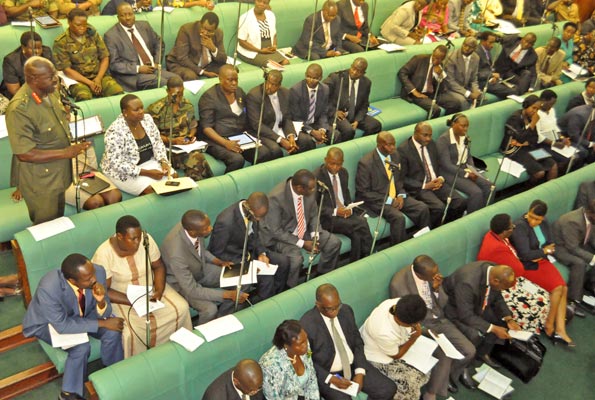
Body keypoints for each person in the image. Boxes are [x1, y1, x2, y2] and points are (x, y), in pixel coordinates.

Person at [22, 254, 124, 400]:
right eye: (88, 279)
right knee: (81, 347)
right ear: (72, 281)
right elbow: (62, 326)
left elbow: (105, 312)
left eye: (93, 274)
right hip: (48, 322)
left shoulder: (98, 272)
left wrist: (101, 302)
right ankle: (69, 394)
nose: (94, 279)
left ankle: (113, 372)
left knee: (112, 331)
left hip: (83, 314)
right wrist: (102, 323)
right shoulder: (49, 288)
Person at [92, 215, 192, 358]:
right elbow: (104, 291)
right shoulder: (104, 254)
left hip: (150, 288)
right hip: (121, 298)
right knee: (131, 332)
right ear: (119, 236)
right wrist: (133, 301)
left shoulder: (146, 240)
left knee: (181, 308)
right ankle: (141, 362)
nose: (138, 242)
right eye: (133, 239)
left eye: (139, 237)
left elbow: (158, 266)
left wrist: (159, 291)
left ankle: (175, 353)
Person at [6, 57, 90, 225]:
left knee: (58, 221)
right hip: (41, 181)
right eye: (50, 76)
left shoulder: (49, 92)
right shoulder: (19, 109)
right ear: (34, 79)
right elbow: (24, 154)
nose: (55, 79)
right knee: (46, 226)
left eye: (55, 74)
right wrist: (66, 152)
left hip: (58, 173)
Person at [389, 256, 478, 396]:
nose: (436, 276)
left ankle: (449, 377)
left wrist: (436, 290)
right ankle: (435, 389)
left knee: (470, 351)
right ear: (420, 275)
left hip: (440, 320)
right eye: (432, 275)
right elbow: (406, 316)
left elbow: (443, 303)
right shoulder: (399, 284)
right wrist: (422, 330)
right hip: (421, 325)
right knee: (445, 353)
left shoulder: (431, 274)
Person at [477, 213, 568, 341]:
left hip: (509, 276)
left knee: (544, 295)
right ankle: (530, 328)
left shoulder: (496, 236)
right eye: (511, 227)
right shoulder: (497, 247)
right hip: (501, 284)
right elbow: (519, 270)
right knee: (539, 300)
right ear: (505, 231)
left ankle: (543, 323)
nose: (514, 228)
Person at [300, 284, 397, 400]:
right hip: (328, 372)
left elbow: (357, 342)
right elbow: (307, 360)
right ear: (318, 305)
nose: (336, 311)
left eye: (338, 306)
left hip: (353, 365)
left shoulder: (346, 311)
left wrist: (360, 371)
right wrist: (330, 378)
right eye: (330, 309)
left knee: (388, 389)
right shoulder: (307, 325)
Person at [161, 210, 250, 325]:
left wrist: (218, 261)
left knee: (241, 278)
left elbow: (200, 250)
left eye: (209, 225)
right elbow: (192, 290)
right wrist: (227, 295)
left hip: (200, 268)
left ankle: (224, 320)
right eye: (206, 228)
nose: (210, 228)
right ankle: (203, 331)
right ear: (192, 232)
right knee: (210, 310)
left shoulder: (193, 227)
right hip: (181, 284)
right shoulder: (176, 254)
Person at [263, 169, 342, 288]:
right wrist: (303, 243)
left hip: (304, 229)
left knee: (333, 243)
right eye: (311, 189)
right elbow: (275, 231)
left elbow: (314, 214)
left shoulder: (309, 189)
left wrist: (314, 235)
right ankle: (290, 289)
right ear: (299, 188)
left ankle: (322, 278)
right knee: (296, 259)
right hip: (282, 237)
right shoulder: (276, 198)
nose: (314, 190)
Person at [510, 203, 574, 344]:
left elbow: (551, 244)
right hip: (528, 266)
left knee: (564, 288)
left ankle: (561, 329)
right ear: (528, 212)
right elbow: (525, 255)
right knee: (557, 289)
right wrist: (544, 251)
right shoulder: (520, 226)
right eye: (531, 217)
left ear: (543, 218)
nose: (533, 221)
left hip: (541, 261)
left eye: (537, 219)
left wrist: (542, 253)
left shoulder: (544, 223)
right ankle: (549, 325)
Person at [208, 192, 290, 299]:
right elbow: (216, 253)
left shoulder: (255, 212)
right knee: (266, 277)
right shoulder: (225, 222)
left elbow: (254, 237)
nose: (259, 220)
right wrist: (247, 266)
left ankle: (277, 296)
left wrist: (262, 253)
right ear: (248, 208)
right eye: (257, 217)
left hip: (251, 252)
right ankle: (266, 304)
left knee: (283, 261)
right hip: (236, 260)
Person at [355, 131, 431, 245]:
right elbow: (364, 192)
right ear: (379, 145)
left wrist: (400, 195)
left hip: (396, 195)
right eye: (389, 145)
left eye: (394, 144)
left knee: (422, 208)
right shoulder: (366, 163)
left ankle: (423, 242)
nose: (393, 147)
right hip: (378, 200)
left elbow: (399, 180)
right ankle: (400, 248)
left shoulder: (395, 155)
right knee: (398, 218)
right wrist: (390, 200)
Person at [198, 64, 277, 173]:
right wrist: (225, 143)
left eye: (236, 80)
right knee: (237, 159)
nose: (234, 83)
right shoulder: (209, 97)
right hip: (218, 140)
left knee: (263, 153)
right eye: (230, 80)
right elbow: (206, 128)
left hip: (240, 136)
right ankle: (228, 183)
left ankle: (251, 179)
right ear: (220, 79)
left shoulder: (239, 92)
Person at [443, 262, 520, 369]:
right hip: (454, 309)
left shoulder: (493, 270)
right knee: (475, 334)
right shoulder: (467, 282)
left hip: (477, 303)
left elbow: (497, 297)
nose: (502, 290)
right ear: (495, 281)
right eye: (503, 288)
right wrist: (493, 329)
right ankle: (464, 366)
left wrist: (508, 319)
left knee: (500, 321)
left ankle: (482, 353)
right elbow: (466, 315)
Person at [359, 295, 430, 400]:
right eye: (416, 323)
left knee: (424, 369)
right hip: (374, 355)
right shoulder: (383, 332)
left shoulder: (399, 304)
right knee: (409, 383)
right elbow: (396, 355)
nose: (418, 324)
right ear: (408, 323)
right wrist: (413, 338)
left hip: (393, 344)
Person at [398, 122, 467, 228]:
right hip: (420, 187)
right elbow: (402, 178)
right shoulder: (403, 150)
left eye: (430, 135)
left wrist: (440, 178)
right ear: (415, 133)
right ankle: (431, 231)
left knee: (460, 202)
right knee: (439, 208)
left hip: (437, 183)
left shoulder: (431, 144)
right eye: (425, 135)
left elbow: (438, 165)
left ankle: (446, 227)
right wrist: (424, 186)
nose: (428, 139)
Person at [101, 94, 172, 196]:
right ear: (125, 112)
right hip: (122, 171)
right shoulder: (115, 131)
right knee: (154, 190)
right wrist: (148, 173)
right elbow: (117, 164)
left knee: (174, 178)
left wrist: (163, 161)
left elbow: (158, 143)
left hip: (148, 162)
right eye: (136, 110)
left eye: (142, 108)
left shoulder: (147, 119)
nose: (141, 111)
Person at [147, 76, 213, 181]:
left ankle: (198, 186)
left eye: (181, 94)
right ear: (168, 91)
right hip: (166, 149)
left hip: (184, 147)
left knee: (198, 160)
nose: (178, 98)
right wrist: (173, 141)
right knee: (196, 159)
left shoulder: (187, 105)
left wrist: (189, 137)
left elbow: (193, 126)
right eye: (175, 95)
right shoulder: (156, 110)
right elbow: (151, 135)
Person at [314, 147, 372, 262]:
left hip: (344, 214)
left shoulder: (343, 173)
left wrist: (349, 207)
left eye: (339, 164)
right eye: (332, 164)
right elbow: (314, 207)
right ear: (325, 160)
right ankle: (369, 255)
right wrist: (335, 211)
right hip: (328, 218)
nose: (335, 167)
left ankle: (356, 262)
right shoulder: (317, 177)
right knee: (362, 223)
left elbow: (346, 194)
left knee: (357, 235)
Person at [104, 3, 179, 92]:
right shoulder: (111, 36)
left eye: (130, 14)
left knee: (177, 79)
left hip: (153, 69)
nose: (128, 18)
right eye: (123, 15)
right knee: (165, 83)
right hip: (134, 76)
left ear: (134, 14)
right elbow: (114, 64)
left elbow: (159, 43)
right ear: (118, 17)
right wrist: (138, 68)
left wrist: (156, 62)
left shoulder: (144, 26)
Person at [53, 8, 124, 101]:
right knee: (83, 97)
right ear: (69, 22)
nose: (82, 28)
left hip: (99, 76)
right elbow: (67, 70)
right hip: (77, 80)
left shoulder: (93, 35)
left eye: (84, 24)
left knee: (117, 92)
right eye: (78, 25)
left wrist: (98, 78)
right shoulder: (61, 42)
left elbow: (105, 57)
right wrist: (90, 83)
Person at [246, 70, 313, 157]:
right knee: (275, 150)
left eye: (273, 85)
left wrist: (290, 135)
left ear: (279, 85)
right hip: (263, 132)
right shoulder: (254, 95)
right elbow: (256, 125)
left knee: (306, 140)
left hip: (280, 129)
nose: (269, 87)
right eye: (268, 82)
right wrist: (280, 139)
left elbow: (287, 117)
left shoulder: (285, 93)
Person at [436, 114, 492, 214]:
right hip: (450, 173)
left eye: (467, 126)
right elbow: (446, 165)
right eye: (463, 126)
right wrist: (466, 174)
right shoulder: (443, 140)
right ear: (453, 124)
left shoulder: (465, 137)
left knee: (490, 186)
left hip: (465, 169)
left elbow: (468, 156)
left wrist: (472, 169)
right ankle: (472, 218)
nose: (465, 129)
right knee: (476, 193)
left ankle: (484, 213)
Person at [552, 200, 595, 316]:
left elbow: (592, 238)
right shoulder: (573, 221)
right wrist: (593, 258)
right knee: (579, 263)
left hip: (576, 244)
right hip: (560, 248)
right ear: (591, 213)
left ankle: (591, 284)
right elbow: (572, 248)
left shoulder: (590, 218)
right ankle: (572, 300)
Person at [502, 95, 557, 184]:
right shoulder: (515, 118)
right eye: (533, 108)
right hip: (514, 150)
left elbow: (535, 138)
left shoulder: (531, 117)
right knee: (540, 172)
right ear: (526, 105)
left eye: (537, 109)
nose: (535, 111)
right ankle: (530, 188)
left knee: (553, 165)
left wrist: (527, 141)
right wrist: (533, 123)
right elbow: (520, 139)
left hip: (529, 147)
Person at [324, 57, 382, 142]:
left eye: (358, 71)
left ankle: (360, 146)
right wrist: (334, 111)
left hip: (355, 113)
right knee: (348, 130)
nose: (354, 72)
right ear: (351, 66)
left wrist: (357, 120)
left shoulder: (366, 83)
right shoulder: (337, 77)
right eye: (353, 68)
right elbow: (322, 97)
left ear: (363, 73)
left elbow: (364, 105)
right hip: (338, 113)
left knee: (375, 125)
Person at [259, 320, 320, 399]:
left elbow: (312, 378)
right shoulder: (269, 366)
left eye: (306, 339)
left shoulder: (305, 345)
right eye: (301, 343)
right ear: (286, 346)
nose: (306, 345)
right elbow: (273, 397)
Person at [166, 12, 227, 80]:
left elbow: (223, 59)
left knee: (227, 71)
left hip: (207, 65)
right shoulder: (186, 30)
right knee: (190, 76)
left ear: (214, 30)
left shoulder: (218, 33)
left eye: (209, 31)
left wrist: (213, 49)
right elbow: (182, 58)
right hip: (181, 65)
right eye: (204, 28)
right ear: (200, 23)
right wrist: (203, 72)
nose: (205, 32)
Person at [398, 45, 448, 119]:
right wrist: (414, 91)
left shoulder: (440, 65)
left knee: (455, 103)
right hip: (417, 94)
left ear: (443, 59)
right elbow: (402, 73)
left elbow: (442, 89)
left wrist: (440, 75)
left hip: (432, 94)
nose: (435, 60)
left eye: (438, 59)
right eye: (434, 56)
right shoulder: (419, 59)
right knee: (435, 109)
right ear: (433, 52)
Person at [289, 63, 335, 145]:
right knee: (308, 141)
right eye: (308, 76)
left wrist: (322, 129)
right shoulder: (296, 91)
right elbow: (296, 118)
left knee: (335, 135)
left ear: (320, 78)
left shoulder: (325, 89)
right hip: (300, 125)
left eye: (314, 78)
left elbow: (324, 113)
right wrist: (312, 132)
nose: (310, 80)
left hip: (316, 123)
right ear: (305, 74)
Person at [1, 32, 54, 99]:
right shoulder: (11, 61)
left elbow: (54, 76)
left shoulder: (46, 52)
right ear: (23, 48)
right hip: (21, 95)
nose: (37, 51)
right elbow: (15, 91)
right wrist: (38, 99)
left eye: (39, 48)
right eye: (33, 48)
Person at [237, 0, 289, 67]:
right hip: (251, 51)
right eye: (259, 1)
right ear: (255, 1)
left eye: (265, 2)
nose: (261, 4)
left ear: (268, 4)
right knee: (272, 66)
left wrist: (274, 45)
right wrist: (260, 51)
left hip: (268, 50)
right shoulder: (245, 17)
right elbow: (242, 42)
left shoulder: (271, 15)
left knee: (286, 62)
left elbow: (274, 34)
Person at [535, 90, 577, 170]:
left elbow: (554, 127)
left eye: (553, 104)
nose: (552, 106)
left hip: (554, 139)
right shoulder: (536, 113)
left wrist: (562, 138)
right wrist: (553, 143)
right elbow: (537, 135)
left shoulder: (551, 110)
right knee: (566, 159)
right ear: (543, 100)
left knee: (579, 154)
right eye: (550, 104)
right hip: (542, 143)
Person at [443, 36, 482, 113]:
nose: (466, 48)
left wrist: (475, 90)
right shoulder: (451, 57)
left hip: (466, 87)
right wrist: (468, 93)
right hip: (450, 89)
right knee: (463, 101)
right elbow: (450, 81)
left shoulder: (476, 58)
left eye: (470, 47)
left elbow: (474, 78)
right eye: (465, 45)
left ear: (475, 48)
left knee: (482, 97)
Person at [476, 31, 511, 100]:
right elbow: (476, 74)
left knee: (514, 88)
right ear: (483, 41)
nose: (492, 45)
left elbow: (489, 67)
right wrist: (491, 75)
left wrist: (493, 77)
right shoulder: (476, 53)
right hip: (481, 82)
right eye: (490, 42)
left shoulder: (487, 50)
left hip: (489, 79)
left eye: (493, 43)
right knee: (511, 91)